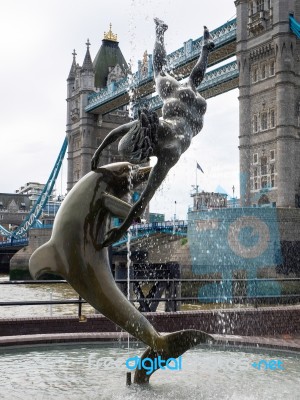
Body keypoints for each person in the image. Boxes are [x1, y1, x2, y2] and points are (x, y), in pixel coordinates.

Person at [91, 18, 215, 247]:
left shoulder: (170, 152)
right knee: (163, 74)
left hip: (196, 115)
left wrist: (121, 230)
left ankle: (202, 48)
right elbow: (120, 131)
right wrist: (98, 152)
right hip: (178, 105)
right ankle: (164, 33)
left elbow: (144, 200)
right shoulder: (152, 125)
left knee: (189, 82)